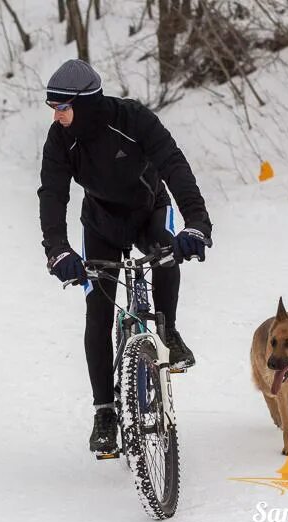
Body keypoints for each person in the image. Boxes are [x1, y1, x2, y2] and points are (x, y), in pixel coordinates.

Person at [38, 60, 212, 454]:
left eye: (63, 108)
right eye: (53, 109)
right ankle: (105, 412)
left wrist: (196, 223)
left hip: (149, 211)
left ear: (86, 104)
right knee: (97, 311)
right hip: (100, 223)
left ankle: (167, 333)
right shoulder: (60, 140)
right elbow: (53, 194)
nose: (57, 116)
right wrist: (58, 251)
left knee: (166, 255)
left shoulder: (132, 119)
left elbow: (174, 164)